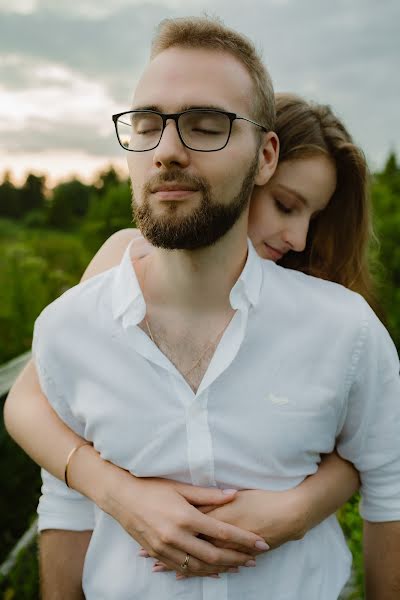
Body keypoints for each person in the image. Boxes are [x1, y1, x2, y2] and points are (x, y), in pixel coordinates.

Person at [4, 16, 400, 600]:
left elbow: (377, 458)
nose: (296, 237)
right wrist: (118, 492)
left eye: (207, 128)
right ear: (267, 170)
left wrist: (302, 505)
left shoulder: (337, 323)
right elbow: (38, 415)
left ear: (257, 157)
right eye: (285, 206)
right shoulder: (97, 293)